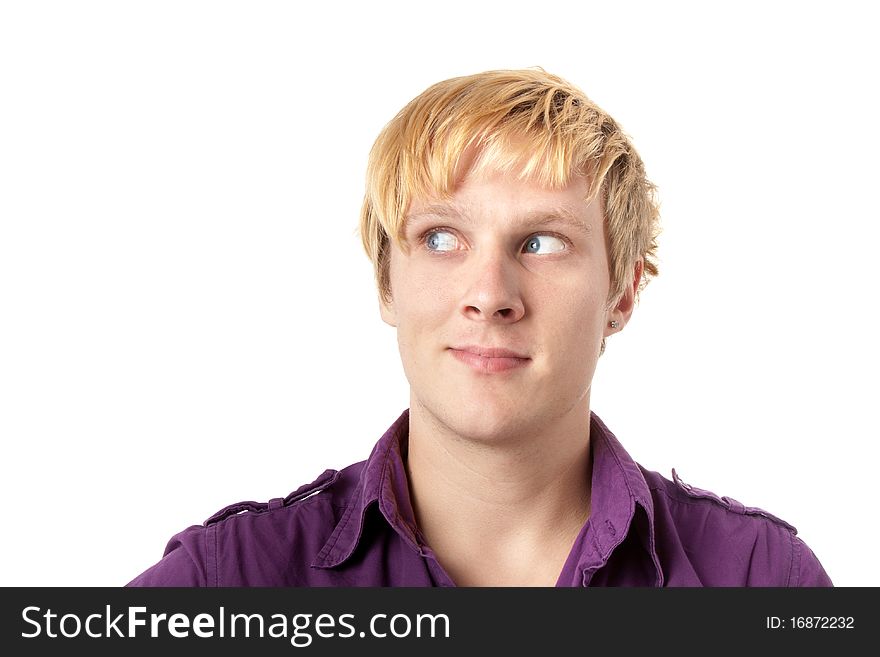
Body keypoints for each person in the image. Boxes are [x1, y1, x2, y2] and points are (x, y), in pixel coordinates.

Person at [127, 68, 832, 587]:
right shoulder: (225, 584)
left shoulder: (761, 581)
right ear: (385, 281)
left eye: (542, 242)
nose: (490, 295)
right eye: (440, 238)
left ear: (623, 294)